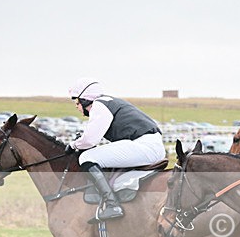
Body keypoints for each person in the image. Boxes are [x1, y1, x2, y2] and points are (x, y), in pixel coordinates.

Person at [67, 78, 166, 222]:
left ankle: (112, 205)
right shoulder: (110, 102)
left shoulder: (99, 105)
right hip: (150, 145)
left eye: (77, 102)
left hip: (143, 146)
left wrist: (73, 145)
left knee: (86, 157)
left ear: (85, 100)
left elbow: (89, 140)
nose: (76, 106)